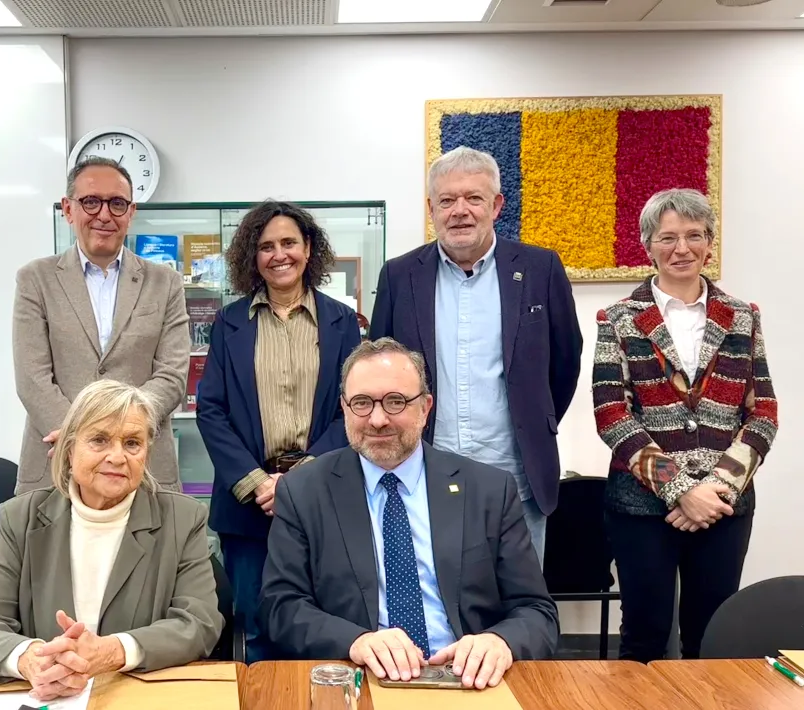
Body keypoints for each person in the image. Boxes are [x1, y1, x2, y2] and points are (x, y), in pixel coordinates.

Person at [260, 338, 558, 689]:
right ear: (343, 407)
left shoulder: (489, 490)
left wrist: (500, 642)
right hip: (362, 679)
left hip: (467, 681)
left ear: (425, 407)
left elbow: (537, 612)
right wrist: (355, 641)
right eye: (361, 403)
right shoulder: (304, 490)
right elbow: (280, 607)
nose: (378, 419)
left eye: (396, 401)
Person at [369, 146, 582, 564]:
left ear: (496, 205)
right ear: (431, 208)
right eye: (447, 200)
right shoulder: (399, 275)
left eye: (473, 198)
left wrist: (537, 418)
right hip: (421, 475)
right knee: (430, 607)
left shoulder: (540, 268)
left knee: (519, 606)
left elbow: (564, 361)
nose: (459, 211)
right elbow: (380, 370)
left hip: (517, 480)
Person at [592, 188, 777, 662]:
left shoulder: (742, 316)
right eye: (667, 237)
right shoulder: (619, 319)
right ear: (647, 245)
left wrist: (715, 489)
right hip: (640, 508)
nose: (681, 248)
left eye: (694, 236)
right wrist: (679, 490)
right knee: (644, 639)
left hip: (722, 506)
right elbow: (611, 413)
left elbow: (764, 413)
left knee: (712, 638)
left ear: (709, 243)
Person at [0, 380, 222, 700]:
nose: (117, 457)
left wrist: (113, 651)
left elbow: (199, 623)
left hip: (135, 696)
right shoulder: (20, 518)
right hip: (47, 699)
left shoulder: (182, 518)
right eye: (99, 440)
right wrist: (30, 658)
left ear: (146, 455)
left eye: (132, 443)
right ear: (68, 450)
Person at [196, 199, 362, 662]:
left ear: (309, 248)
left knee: (322, 620)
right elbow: (211, 410)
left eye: (289, 242)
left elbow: (352, 410)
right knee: (257, 623)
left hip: (322, 498)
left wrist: (299, 480)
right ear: (253, 257)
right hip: (249, 506)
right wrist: (259, 485)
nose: (278, 254)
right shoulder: (229, 322)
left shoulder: (342, 321)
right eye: (266, 246)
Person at [13, 156, 189, 493]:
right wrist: (82, 441)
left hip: (144, 465)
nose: (104, 214)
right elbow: (32, 376)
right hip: (57, 460)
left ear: (131, 212)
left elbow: (172, 375)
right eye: (91, 202)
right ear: (68, 209)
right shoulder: (36, 279)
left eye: (117, 203)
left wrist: (123, 434)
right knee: (57, 548)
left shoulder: (165, 283)